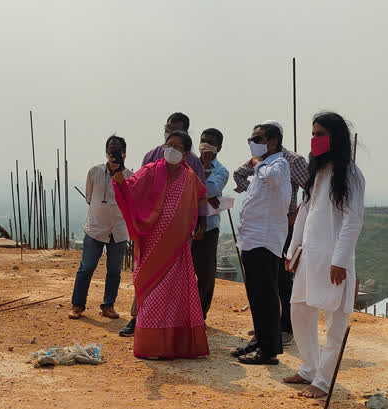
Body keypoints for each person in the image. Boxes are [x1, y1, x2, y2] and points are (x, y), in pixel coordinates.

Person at [283, 112, 365, 398]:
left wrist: (340, 260)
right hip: (309, 259)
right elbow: (305, 212)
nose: (314, 139)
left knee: (335, 321)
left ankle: (324, 381)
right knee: (300, 311)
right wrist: (292, 250)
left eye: (320, 134)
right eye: (313, 133)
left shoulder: (351, 174)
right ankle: (309, 368)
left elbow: (353, 220)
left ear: (335, 137)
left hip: (333, 261)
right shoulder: (318, 172)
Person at [113, 131, 209, 359]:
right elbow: (130, 188)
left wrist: (197, 224)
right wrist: (118, 175)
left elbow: (201, 198)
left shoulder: (189, 177)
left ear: (186, 153)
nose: (171, 149)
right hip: (152, 242)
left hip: (177, 248)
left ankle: (173, 346)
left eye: (177, 146)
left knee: (173, 296)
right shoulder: (151, 170)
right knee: (150, 292)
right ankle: (150, 345)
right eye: (168, 144)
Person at [233, 121, 309, 343]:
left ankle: (285, 327)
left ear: (274, 141)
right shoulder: (262, 162)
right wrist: (260, 195)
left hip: (285, 224)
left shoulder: (291, 161)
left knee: (282, 278)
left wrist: (296, 214)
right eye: (251, 140)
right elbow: (238, 174)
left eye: (257, 140)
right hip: (265, 224)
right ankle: (266, 328)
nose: (253, 144)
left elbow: (311, 189)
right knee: (263, 281)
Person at [69, 135, 132, 320]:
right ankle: (77, 305)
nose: (114, 153)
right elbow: (90, 197)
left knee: (114, 271)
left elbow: (130, 201)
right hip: (95, 229)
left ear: (124, 153)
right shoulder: (94, 172)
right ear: (106, 152)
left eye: (118, 149)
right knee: (86, 268)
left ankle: (108, 306)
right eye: (111, 149)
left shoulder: (130, 176)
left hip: (119, 231)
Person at [191, 128, 229, 319]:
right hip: (184, 225)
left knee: (205, 274)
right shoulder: (188, 163)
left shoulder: (221, 171)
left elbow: (208, 189)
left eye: (211, 143)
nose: (205, 145)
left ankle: (200, 314)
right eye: (203, 140)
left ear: (218, 148)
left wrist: (206, 167)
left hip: (209, 228)